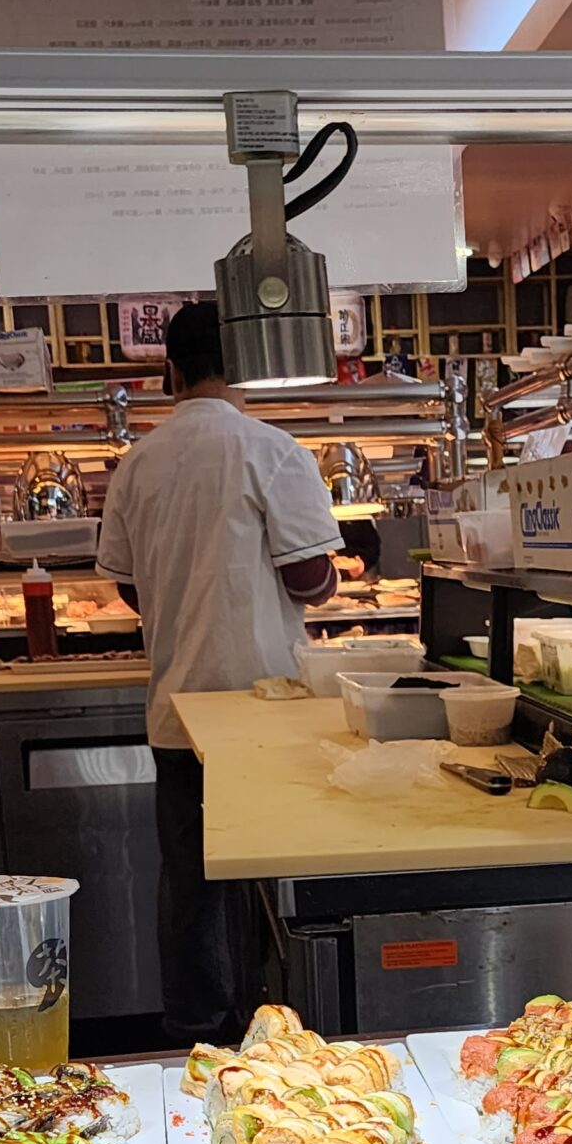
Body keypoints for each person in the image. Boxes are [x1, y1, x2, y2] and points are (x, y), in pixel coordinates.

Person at [98, 301, 343, 1046]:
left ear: (169, 371)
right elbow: (310, 580)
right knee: (273, 878)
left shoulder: (138, 463)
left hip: (177, 709)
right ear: (244, 366)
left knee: (191, 882)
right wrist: (326, 576)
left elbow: (127, 585)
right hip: (265, 712)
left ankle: (196, 1035)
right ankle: (278, 1030)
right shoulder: (273, 449)